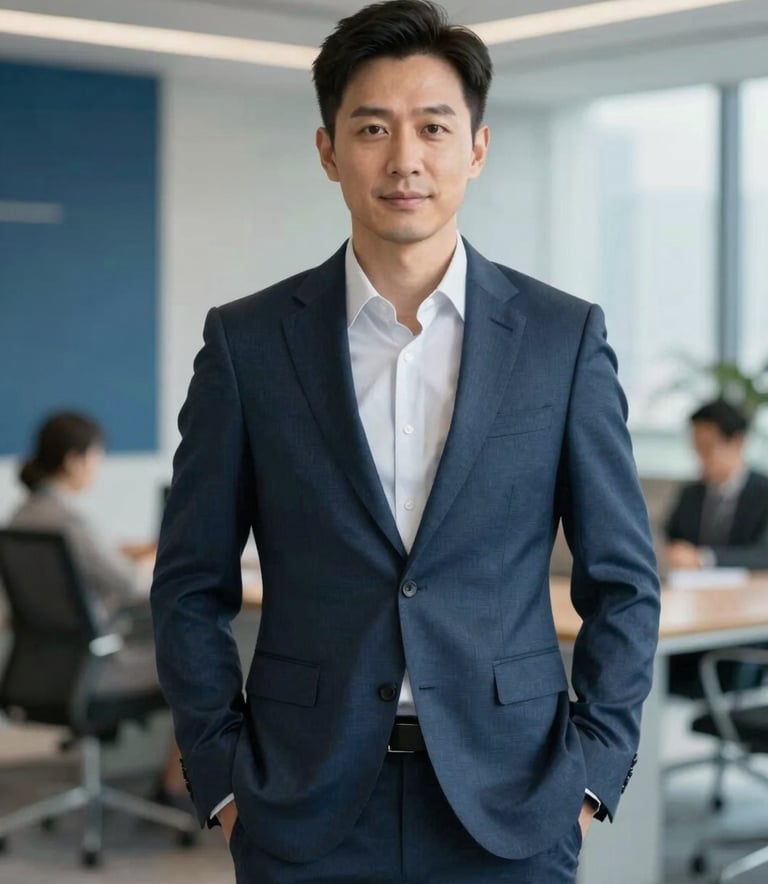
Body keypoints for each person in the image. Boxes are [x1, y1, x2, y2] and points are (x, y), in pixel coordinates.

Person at [151, 2, 660, 881]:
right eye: (373, 128)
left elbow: (624, 580)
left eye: (433, 127)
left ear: (478, 147)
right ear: (328, 151)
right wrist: (224, 779)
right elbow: (190, 583)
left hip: (513, 800)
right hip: (300, 801)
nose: (405, 159)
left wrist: (592, 773)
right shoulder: (249, 343)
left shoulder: (560, 337)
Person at [9, 410, 187, 803]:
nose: (97, 467)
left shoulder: (23, 516)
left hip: (46, 668)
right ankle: (172, 788)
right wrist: (158, 557)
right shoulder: (70, 522)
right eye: (96, 457)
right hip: (94, 669)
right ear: (74, 461)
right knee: (198, 663)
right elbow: (130, 584)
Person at [665, 398, 768, 571]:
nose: (700, 458)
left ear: (737, 442)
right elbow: (671, 537)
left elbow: (763, 555)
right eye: (696, 448)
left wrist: (704, 559)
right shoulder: (690, 493)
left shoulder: (764, 493)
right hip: (692, 592)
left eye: (708, 447)